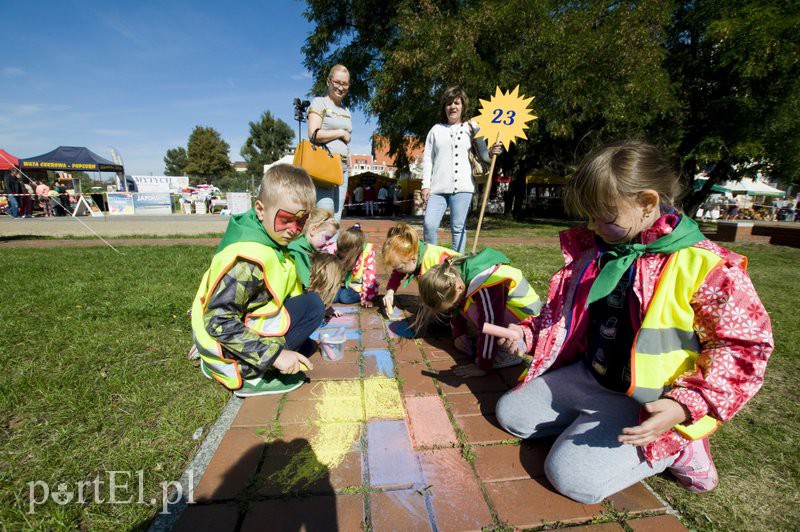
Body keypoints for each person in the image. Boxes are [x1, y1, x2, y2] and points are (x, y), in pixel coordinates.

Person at [494, 140, 773, 504]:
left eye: (604, 217)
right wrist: (527, 334)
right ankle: (591, 423)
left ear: (647, 203)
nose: (593, 226)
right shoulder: (596, 251)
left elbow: (743, 347)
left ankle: (680, 448)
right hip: (592, 376)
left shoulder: (705, 266)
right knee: (511, 414)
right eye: (589, 216)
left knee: (571, 478)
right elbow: (561, 312)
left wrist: (684, 405)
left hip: (648, 399)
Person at [191, 164, 325, 397]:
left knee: (312, 304)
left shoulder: (270, 239)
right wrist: (275, 356)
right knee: (313, 307)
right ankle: (253, 375)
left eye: (301, 222)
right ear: (261, 210)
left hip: (245, 326)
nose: (294, 229)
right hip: (231, 353)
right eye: (285, 219)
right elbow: (218, 320)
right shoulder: (248, 262)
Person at [414, 251, 542, 377]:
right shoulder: (453, 275)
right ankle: (490, 346)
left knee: (474, 311)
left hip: (527, 319)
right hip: (507, 311)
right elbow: (457, 310)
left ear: (459, 288)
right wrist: (459, 333)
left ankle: (507, 354)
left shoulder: (486, 286)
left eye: (452, 305)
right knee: (468, 306)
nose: (453, 308)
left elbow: (489, 324)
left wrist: (483, 366)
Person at [421, 86, 502, 252]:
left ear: (463, 105)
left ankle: (456, 264)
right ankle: (432, 261)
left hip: (464, 187)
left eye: (456, 103)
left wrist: (492, 151)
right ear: (444, 107)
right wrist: (425, 185)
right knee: (429, 225)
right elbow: (428, 159)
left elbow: (483, 155)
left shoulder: (473, 127)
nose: (453, 107)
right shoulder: (435, 130)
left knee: (458, 228)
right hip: (438, 188)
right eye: (449, 103)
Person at [307, 64, 352, 222]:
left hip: (343, 168)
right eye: (337, 82)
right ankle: (320, 247)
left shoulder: (346, 110)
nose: (341, 87)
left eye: (345, 84)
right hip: (324, 167)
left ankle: (333, 247)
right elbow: (313, 133)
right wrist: (340, 133)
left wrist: (350, 165)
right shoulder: (320, 103)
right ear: (328, 81)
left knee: (336, 219)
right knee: (324, 218)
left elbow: (346, 142)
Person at [381, 223, 461, 312]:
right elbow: (397, 274)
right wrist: (390, 292)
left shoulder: (430, 264)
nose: (397, 271)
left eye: (399, 267)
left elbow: (435, 292)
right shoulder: (412, 252)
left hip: (460, 282)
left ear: (413, 259)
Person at [326, 224, 378, 307]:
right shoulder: (336, 248)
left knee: (345, 297)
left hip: (357, 286)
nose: (340, 254)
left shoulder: (366, 251)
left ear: (354, 251)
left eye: (343, 253)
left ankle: (365, 293)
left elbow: (369, 276)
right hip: (339, 284)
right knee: (333, 298)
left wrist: (367, 297)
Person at [288, 207, 340, 289]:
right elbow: (306, 284)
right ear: (313, 230)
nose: (327, 243)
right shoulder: (298, 251)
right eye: (326, 237)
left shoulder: (302, 247)